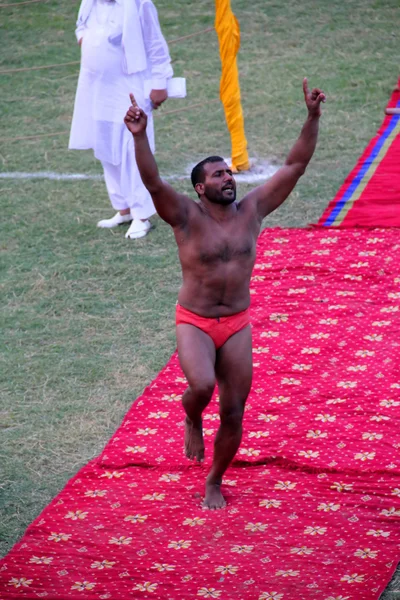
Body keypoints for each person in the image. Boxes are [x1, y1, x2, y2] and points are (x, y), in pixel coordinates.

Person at [124, 79, 326, 508]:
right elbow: (153, 182)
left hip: (236, 323)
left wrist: (312, 118)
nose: (228, 178)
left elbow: (293, 167)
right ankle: (192, 416)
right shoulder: (184, 216)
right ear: (201, 188)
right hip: (195, 320)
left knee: (234, 411)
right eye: (218, 175)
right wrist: (140, 137)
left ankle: (214, 479)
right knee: (200, 386)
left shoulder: (252, 210)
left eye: (229, 172)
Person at [69, 0, 173, 239]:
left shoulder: (140, 4)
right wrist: (88, 42)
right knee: (105, 146)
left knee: (132, 148)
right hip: (96, 85)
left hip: (130, 85)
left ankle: (141, 216)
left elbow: (155, 43)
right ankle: (123, 208)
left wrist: (160, 82)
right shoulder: (90, 2)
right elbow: (80, 26)